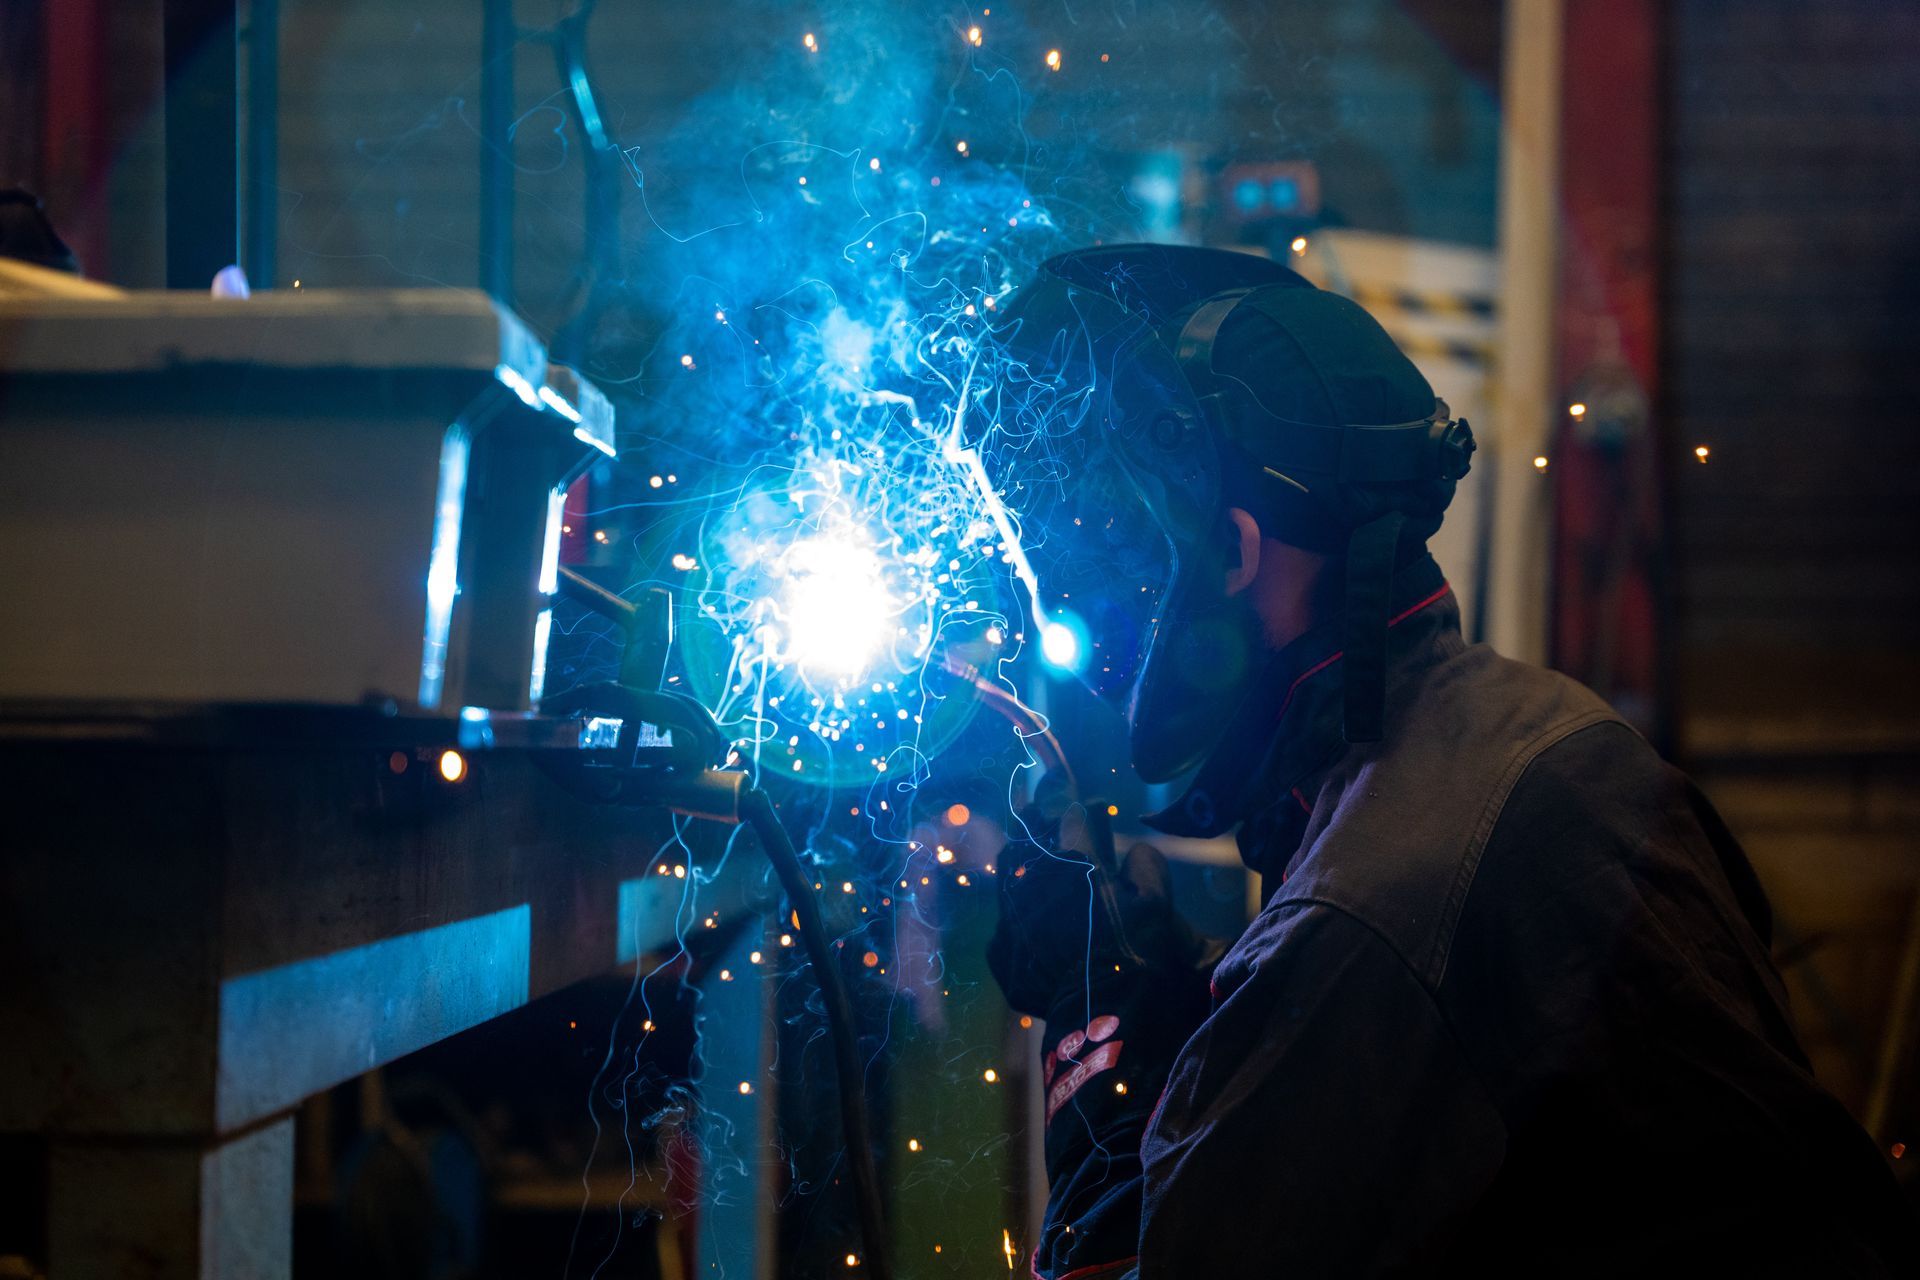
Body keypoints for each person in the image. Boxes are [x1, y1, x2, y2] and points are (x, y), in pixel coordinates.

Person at [983, 245, 1915, 1277]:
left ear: (1237, 551)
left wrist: (1096, 1022)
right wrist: (1175, 992)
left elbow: (1145, 1253)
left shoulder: (1365, 909)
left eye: (1124, 548)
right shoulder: (1550, 736)